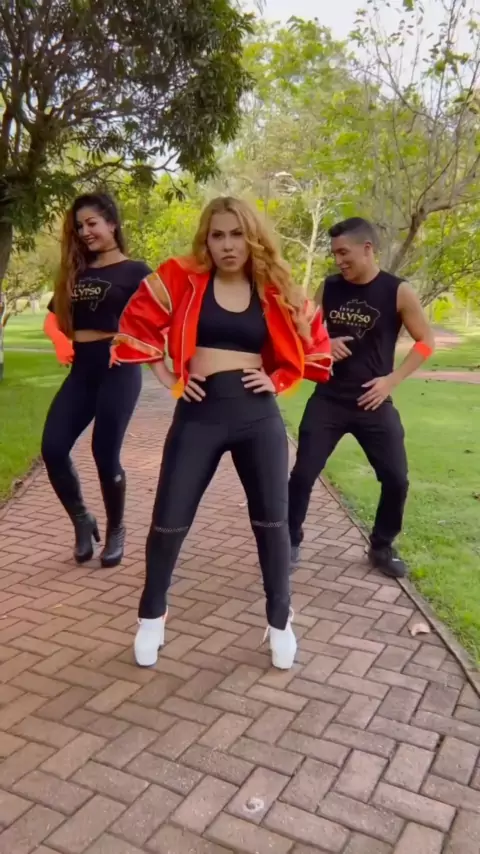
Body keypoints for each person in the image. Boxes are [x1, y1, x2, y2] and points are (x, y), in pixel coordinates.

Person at [111, 196, 332, 669]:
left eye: (237, 234)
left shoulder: (276, 288)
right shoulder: (181, 277)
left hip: (258, 416)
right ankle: (152, 615)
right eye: (218, 235)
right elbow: (136, 323)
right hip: (199, 413)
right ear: (206, 240)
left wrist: (279, 379)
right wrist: (169, 377)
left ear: (253, 239)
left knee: (272, 523)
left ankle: (280, 620)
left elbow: (314, 345)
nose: (228, 245)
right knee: (169, 520)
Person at [288, 217, 435, 579]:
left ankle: (381, 546)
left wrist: (391, 381)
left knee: (396, 479)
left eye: (344, 253)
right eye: (335, 254)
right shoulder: (330, 286)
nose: (338, 260)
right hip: (329, 398)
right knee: (303, 474)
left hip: (374, 400)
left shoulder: (397, 291)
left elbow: (425, 342)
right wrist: (324, 342)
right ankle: (289, 540)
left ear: (367, 248)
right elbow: (305, 330)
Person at [41, 192, 150, 568]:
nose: (85, 232)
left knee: (104, 453)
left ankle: (116, 529)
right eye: (80, 226)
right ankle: (82, 519)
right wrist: (60, 341)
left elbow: (159, 320)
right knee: (53, 448)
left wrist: (132, 343)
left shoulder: (136, 272)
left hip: (118, 370)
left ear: (112, 224)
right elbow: (53, 318)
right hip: (82, 371)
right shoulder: (77, 270)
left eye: (92, 223)